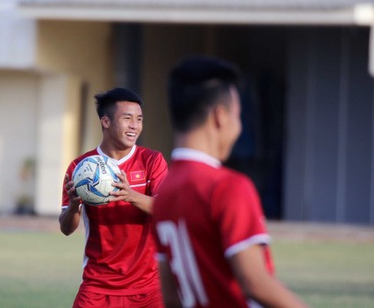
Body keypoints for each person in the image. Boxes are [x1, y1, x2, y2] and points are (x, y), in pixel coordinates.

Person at [152, 56, 307, 308]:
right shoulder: (228, 186)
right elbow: (255, 283)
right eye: (238, 115)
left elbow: (170, 295)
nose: (238, 126)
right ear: (220, 117)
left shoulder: (164, 193)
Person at [60, 87, 168, 308]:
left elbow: (166, 210)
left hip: (148, 288)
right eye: (127, 119)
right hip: (98, 286)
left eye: (139, 119)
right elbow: (66, 228)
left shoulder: (152, 161)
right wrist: (73, 205)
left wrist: (131, 195)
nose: (134, 126)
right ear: (106, 121)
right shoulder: (80, 168)